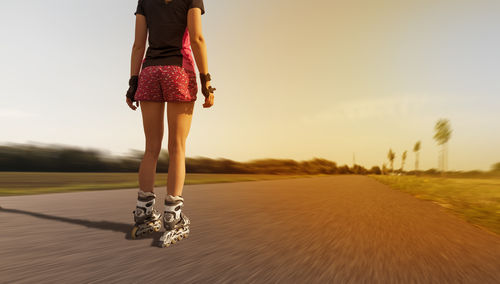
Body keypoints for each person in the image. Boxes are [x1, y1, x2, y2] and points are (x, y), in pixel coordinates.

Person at [125, 0, 216, 247]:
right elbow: (196, 38)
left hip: (150, 72)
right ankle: (172, 218)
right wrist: (206, 80)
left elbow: (138, 45)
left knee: (151, 148)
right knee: (177, 147)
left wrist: (133, 84)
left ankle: (143, 213)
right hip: (178, 71)